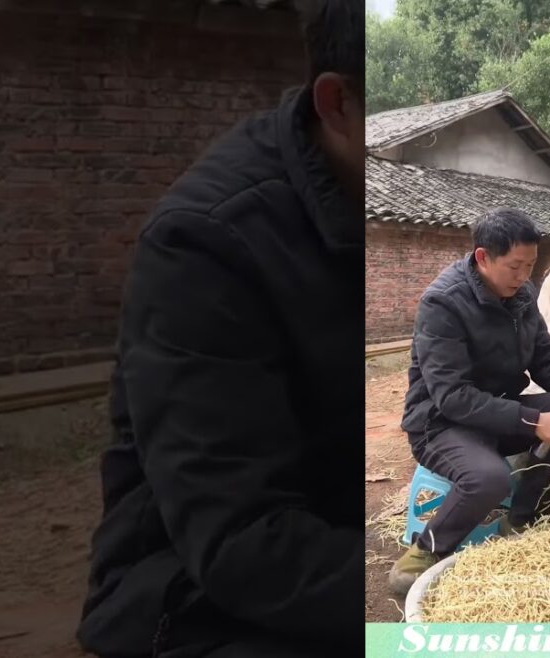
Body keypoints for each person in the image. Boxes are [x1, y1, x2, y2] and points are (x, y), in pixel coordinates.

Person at [76, 2, 366, 656]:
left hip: (335, 542)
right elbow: (240, 541)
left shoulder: (369, 197)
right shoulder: (204, 246)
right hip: (194, 596)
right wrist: (435, 594)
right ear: (336, 104)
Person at [388, 208, 550, 594]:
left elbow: (547, 359)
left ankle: (521, 521)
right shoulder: (443, 304)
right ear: (483, 257)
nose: (524, 276)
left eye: (530, 265)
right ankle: (426, 550)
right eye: (514, 266)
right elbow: (452, 397)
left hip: (499, 410)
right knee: (488, 477)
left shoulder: (522, 295)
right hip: (442, 424)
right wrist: (531, 422)